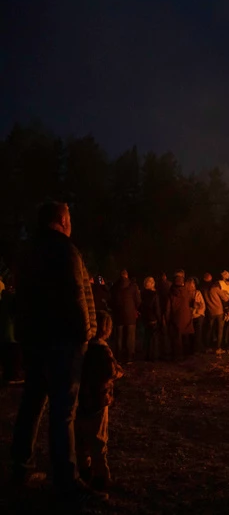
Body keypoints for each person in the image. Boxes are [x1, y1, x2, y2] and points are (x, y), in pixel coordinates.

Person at [11, 201, 104, 501]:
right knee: (63, 413)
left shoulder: (28, 254)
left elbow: (20, 301)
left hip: (35, 341)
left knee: (32, 405)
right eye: (70, 219)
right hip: (64, 342)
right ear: (62, 220)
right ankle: (67, 481)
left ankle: (21, 469)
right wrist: (86, 336)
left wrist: (24, 339)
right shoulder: (66, 251)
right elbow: (79, 297)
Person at [76, 310, 123, 491]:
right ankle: (101, 476)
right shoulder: (102, 350)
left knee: (80, 437)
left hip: (82, 399)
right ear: (107, 329)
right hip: (98, 400)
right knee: (98, 439)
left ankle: (83, 468)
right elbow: (111, 371)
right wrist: (119, 372)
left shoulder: (82, 348)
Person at [110, 269, 141, 363]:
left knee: (119, 337)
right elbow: (138, 300)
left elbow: (111, 301)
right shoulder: (133, 286)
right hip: (130, 315)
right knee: (130, 337)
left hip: (118, 315)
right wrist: (135, 308)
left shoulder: (115, 286)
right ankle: (129, 357)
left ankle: (118, 357)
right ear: (127, 275)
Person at [165, 271, 194, 361]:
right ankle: (187, 355)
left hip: (176, 317)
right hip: (186, 317)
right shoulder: (186, 291)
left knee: (177, 338)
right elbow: (189, 302)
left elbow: (168, 308)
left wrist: (167, 318)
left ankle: (178, 356)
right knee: (185, 337)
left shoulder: (171, 293)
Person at [1, 282, 24, 384]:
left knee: (9, 355)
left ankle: (9, 374)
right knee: (14, 355)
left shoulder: (4, 299)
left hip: (6, 334)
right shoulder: (12, 298)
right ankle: (14, 375)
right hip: (12, 335)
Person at [206, 272, 229, 353]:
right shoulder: (215, 288)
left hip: (210, 311)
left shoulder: (204, 290)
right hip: (219, 311)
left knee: (209, 329)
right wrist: (225, 293)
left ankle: (208, 347)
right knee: (220, 330)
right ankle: (218, 348)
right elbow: (225, 298)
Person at [140, 277, 162, 361]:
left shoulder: (142, 294)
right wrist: (159, 320)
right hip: (153, 319)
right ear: (152, 284)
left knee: (146, 337)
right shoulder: (154, 295)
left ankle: (146, 355)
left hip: (145, 318)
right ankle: (154, 356)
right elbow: (157, 309)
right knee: (154, 339)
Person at [188, 277, 206, 356]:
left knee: (198, 333)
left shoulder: (197, 293)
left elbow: (202, 305)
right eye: (190, 283)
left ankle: (197, 350)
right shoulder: (186, 293)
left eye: (193, 283)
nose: (192, 285)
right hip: (190, 316)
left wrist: (196, 310)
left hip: (198, 316)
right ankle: (192, 349)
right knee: (191, 334)